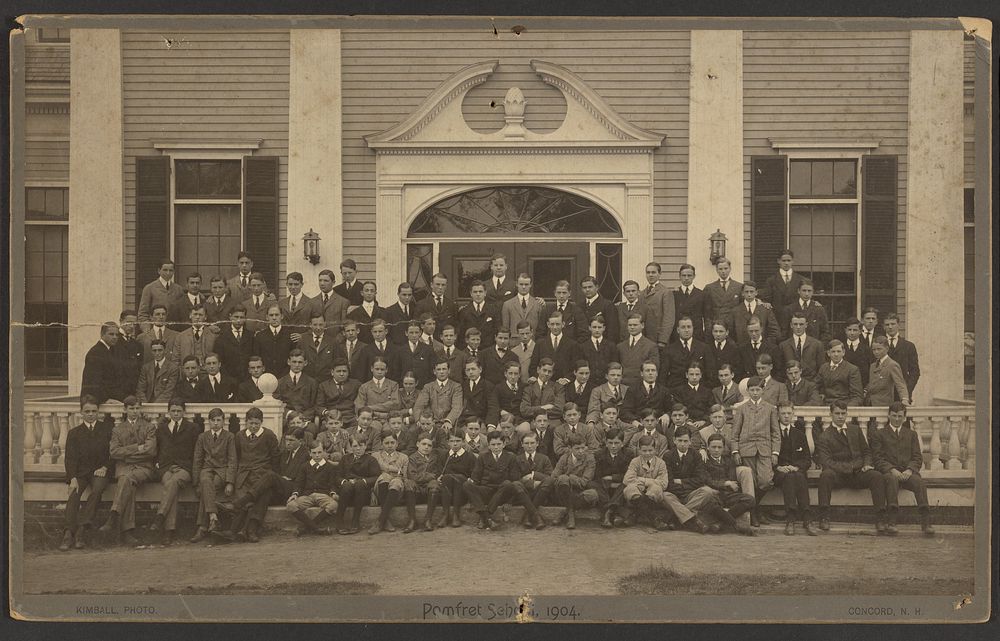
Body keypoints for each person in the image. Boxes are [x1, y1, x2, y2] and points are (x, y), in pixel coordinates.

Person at [815, 401, 888, 533]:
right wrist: (850, 467)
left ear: (847, 414)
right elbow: (827, 462)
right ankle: (824, 517)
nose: (840, 417)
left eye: (843, 413)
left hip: (858, 474)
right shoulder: (824, 436)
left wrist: (866, 464)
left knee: (876, 476)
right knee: (825, 475)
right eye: (837, 413)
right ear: (830, 414)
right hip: (838, 476)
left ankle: (881, 518)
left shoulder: (855, 430)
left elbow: (866, 451)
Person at [98, 397, 157, 546]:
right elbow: (114, 452)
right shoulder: (117, 429)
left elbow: (151, 451)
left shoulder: (149, 427)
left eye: (137, 408)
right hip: (125, 468)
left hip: (143, 468)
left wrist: (127, 454)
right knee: (127, 482)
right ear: (125, 410)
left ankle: (113, 516)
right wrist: (137, 448)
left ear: (140, 409)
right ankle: (127, 532)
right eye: (131, 408)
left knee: (126, 479)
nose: (135, 412)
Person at [58, 396, 114, 552]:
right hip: (81, 473)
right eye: (87, 411)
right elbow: (70, 458)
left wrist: (105, 467)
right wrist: (72, 478)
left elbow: (114, 454)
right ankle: (68, 533)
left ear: (98, 412)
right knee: (74, 494)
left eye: (94, 411)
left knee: (96, 492)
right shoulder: (74, 433)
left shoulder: (107, 429)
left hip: (99, 471)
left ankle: (81, 531)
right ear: (81, 413)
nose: (91, 414)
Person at [622, 434, 709, 533]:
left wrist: (641, 480)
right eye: (644, 451)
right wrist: (650, 482)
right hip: (638, 491)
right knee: (630, 489)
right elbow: (627, 479)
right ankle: (656, 519)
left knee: (657, 490)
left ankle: (635, 515)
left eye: (650, 450)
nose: (647, 453)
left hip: (653, 494)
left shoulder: (660, 463)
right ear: (639, 450)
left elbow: (663, 483)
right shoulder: (635, 461)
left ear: (655, 450)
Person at [870, 402, 935, 536]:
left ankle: (926, 521)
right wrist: (892, 469)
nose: (897, 419)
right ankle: (892, 521)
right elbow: (878, 459)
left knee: (919, 482)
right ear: (889, 415)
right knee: (892, 480)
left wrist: (910, 470)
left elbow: (917, 457)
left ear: (905, 417)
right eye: (894, 416)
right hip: (890, 472)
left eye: (900, 416)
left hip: (907, 472)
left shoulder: (911, 434)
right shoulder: (880, 434)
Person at [463, 430, 543, 530]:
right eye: (493, 444)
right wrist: (472, 482)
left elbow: (514, 479)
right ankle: (486, 518)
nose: (496, 447)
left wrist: (510, 500)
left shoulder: (511, 457)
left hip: (503, 492)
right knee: (467, 484)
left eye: (499, 444)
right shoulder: (483, 457)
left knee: (508, 483)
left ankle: (484, 517)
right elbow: (476, 477)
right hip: (487, 490)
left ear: (504, 444)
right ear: (488, 445)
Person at [225, 407, 281, 543]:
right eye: (251, 423)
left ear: (261, 422)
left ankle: (249, 531)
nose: (254, 426)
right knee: (246, 500)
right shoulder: (239, 436)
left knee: (262, 494)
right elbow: (236, 456)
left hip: (262, 475)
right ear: (246, 422)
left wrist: (271, 475)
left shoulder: (268, 435)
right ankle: (241, 531)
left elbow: (275, 458)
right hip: (244, 476)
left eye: (257, 423)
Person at [150, 399, 201, 546]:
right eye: (173, 411)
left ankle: (161, 518)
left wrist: (183, 466)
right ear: (169, 412)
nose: (176, 413)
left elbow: (196, 453)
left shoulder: (193, 428)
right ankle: (168, 530)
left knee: (171, 483)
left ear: (184, 412)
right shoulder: (162, 429)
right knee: (170, 484)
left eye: (179, 411)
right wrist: (165, 467)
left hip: (185, 468)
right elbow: (158, 452)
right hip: (166, 468)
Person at [731, 376, 780, 527]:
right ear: (748, 391)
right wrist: (736, 452)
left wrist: (775, 453)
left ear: (763, 390)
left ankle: (755, 508)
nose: (755, 393)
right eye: (752, 390)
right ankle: (754, 513)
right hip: (747, 450)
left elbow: (775, 433)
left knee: (765, 481)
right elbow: (735, 434)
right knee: (750, 483)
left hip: (765, 450)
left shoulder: (770, 408)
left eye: (758, 390)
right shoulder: (741, 409)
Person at [190, 407, 237, 542]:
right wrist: (195, 482)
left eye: (219, 420)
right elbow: (197, 460)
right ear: (208, 422)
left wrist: (230, 482)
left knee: (210, 486)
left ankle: (202, 527)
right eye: (213, 420)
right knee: (205, 481)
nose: (216, 423)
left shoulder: (229, 437)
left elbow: (232, 460)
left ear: (223, 421)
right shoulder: (202, 437)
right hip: (207, 469)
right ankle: (213, 517)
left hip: (222, 470)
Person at [662, 427, 725, 529]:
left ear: (690, 441)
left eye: (685, 441)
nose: (683, 444)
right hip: (675, 495)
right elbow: (669, 482)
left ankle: (677, 518)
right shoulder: (668, 456)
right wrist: (686, 485)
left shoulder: (696, 455)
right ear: (674, 440)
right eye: (680, 441)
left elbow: (700, 479)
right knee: (664, 495)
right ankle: (692, 519)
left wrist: (681, 481)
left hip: (692, 495)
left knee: (707, 491)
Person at [771, 402, 818, 536]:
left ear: (793, 414)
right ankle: (795, 518)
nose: (786, 416)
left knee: (797, 475)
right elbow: (766, 457)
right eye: (783, 413)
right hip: (778, 473)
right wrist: (778, 467)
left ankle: (803, 519)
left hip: (796, 472)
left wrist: (796, 467)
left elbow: (807, 460)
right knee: (793, 477)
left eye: (789, 413)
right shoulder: (772, 434)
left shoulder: (800, 434)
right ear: (778, 415)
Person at [702, 434, 756, 535]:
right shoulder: (704, 461)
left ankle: (720, 523)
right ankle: (736, 526)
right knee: (710, 503)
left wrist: (728, 484)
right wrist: (725, 483)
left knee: (750, 500)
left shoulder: (728, 460)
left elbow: (732, 480)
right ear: (708, 448)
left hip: (728, 494)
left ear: (723, 448)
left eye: (719, 447)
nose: (716, 450)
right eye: (713, 447)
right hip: (714, 494)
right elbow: (707, 480)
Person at [285, 443, 340, 536]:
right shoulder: (304, 466)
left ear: (324, 452)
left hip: (323, 495)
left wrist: (333, 493)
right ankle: (317, 529)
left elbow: (332, 484)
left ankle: (305, 529)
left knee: (334, 505)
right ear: (310, 453)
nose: (317, 455)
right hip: (307, 495)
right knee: (290, 505)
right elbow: (299, 483)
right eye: (314, 453)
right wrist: (295, 494)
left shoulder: (329, 467)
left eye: (319, 452)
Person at [334, 436, 380, 534]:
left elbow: (376, 476)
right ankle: (339, 520)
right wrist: (344, 481)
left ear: (365, 446)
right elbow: (337, 476)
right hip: (346, 493)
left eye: (361, 445)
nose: (358, 448)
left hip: (362, 494)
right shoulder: (345, 458)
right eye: (355, 446)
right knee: (346, 486)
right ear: (350, 447)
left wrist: (362, 481)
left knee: (359, 485)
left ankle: (355, 520)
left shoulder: (371, 460)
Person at [550, 435, 597, 529]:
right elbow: (554, 477)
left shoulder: (589, 459)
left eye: (583, 448)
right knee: (563, 479)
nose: (581, 451)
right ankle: (571, 517)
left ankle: (565, 512)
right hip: (563, 491)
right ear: (570, 448)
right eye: (577, 448)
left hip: (579, 492)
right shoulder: (564, 458)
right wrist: (567, 479)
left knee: (593, 494)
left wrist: (570, 477)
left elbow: (585, 481)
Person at [759, 249, 807, 339]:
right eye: (783, 260)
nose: (786, 263)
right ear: (778, 261)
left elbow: (806, 296)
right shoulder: (771, 280)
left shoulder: (800, 280)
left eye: (788, 260)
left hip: (795, 319)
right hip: (778, 319)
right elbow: (766, 300)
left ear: (793, 261)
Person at [368, 431, 409, 534]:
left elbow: (404, 475)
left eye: (392, 442)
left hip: (396, 490)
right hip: (380, 487)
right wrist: (395, 470)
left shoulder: (404, 457)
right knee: (384, 477)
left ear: (397, 443)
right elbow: (378, 469)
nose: (390, 445)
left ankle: (381, 521)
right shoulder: (375, 456)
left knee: (396, 482)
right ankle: (385, 520)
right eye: (386, 443)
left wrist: (395, 474)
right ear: (382, 444)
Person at [512, 431, 554, 529]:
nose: (529, 446)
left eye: (532, 443)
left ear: (537, 443)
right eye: (526, 443)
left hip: (541, 492)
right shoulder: (517, 459)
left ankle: (528, 516)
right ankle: (537, 517)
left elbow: (549, 477)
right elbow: (515, 478)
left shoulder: (544, 458)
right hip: (524, 493)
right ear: (522, 444)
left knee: (549, 481)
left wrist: (533, 475)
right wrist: (532, 483)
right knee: (515, 484)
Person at [436, 429, 477, 528]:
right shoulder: (443, 456)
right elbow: (439, 472)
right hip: (446, 493)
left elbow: (474, 475)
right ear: (448, 442)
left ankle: (456, 515)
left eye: (458, 441)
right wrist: (439, 477)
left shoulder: (470, 457)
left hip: (462, 493)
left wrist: (469, 480)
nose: (455, 444)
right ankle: (445, 515)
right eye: (452, 441)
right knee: (447, 477)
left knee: (458, 477)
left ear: (463, 442)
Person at [590, 428, 630, 527]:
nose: (613, 446)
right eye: (610, 443)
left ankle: (608, 513)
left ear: (622, 443)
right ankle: (613, 510)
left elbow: (628, 474)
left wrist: (612, 478)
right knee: (593, 484)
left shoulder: (629, 454)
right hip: (604, 486)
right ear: (606, 443)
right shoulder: (599, 454)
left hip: (620, 485)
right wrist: (609, 482)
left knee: (627, 484)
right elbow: (597, 475)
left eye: (616, 443)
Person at [531, 310, 584, 383]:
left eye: (557, 324)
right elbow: (533, 367)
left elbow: (576, 367)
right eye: (552, 324)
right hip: (544, 385)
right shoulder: (540, 344)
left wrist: (566, 379)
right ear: (548, 324)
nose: (555, 327)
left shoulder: (573, 344)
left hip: (564, 386)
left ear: (563, 324)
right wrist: (540, 379)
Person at [412, 360, 464, 433]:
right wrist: (419, 420)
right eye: (438, 369)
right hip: (430, 422)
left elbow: (457, 407)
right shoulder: (428, 387)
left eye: (444, 369)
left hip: (447, 423)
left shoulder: (456, 387)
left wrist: (449, 421)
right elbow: (419, 406)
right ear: (434, 371)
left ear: (449, 371)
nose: (441, 372)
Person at [406, 435, 443, 531]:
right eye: (424, 444)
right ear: (417, 444)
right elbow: (413, 476)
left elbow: (438, 473)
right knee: (409, 483)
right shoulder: (413, 458)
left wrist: (432, 477)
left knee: (435, 484)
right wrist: (430, 476)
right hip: (416, 489)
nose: (426, 447)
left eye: (429, 445)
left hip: (429, 489)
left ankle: (428, 519)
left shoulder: (434, 457)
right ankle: (412, 520)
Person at [314, 359, 364, 429]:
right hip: (331, 417)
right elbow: (319, 406)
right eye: (338, 371)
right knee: (325, 428)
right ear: (332, 372)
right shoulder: (323, 386)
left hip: (351, 418)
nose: (341, 374)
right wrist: (327, 412)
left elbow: (361, 402)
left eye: (344, 371)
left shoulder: (356, 384)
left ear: (348, 372)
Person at [662, 316, 709, 390]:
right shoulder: (669, 350)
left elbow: (709, 373)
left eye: (689, 327)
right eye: (683, 327)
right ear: (678, 330)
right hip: (676, 390)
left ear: (693, 328)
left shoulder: (703, 348)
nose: (686, 330)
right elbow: (663, 376)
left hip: (699, 391)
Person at [520, 359, 565, 433]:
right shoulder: (529, 387)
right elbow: (524, 410)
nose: (547, 374)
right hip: (534, 421)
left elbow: (559, 409)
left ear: (552, 373)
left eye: (549, 372)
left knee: (555, 429)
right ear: (538, 370)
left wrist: (535, 409)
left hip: (552, 421)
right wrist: (543, 407)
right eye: (544, 370)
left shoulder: (558, 387)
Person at [81, 322, 121, 404]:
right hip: (96, 401)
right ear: (102, 334)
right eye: (111, 334)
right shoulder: (96, 352)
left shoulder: (111, 350)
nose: (115, 337)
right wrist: (105, 399)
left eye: (117, 335)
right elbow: (93, 380)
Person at [137, 259, 185, 328]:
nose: (168, 273)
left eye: (170, 270)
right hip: (155, 329)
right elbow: (143, 314)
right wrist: (148, 332)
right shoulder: (149, 288)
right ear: (159, 271)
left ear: (174, 272)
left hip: (173, 331)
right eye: (165, 270)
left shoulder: (179, 289)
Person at [882, 313, 921, 399]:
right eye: (887, 324)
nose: (890, 327)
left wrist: (907, 389)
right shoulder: (878, 345)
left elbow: (915, 371)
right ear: (883, 327)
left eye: (893, 324)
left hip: (902, 393)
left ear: (898, 325)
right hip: (883, 393)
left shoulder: (908, 346)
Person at [617, 314, 660, 389]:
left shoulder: (651, 346)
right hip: (622, 386)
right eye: (630, 325)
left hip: (641, 387)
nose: (632, 327)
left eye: (635, 325)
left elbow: (653, 370)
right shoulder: (620, 346)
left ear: (642, 325)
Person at [817, 340, 864, 407]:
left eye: (839, 351)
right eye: (833, 351)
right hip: (825, 406)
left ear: (843, 352)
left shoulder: (852, 369)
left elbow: (857, 396)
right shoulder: (823, 368)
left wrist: (847, 408)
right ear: (828, 353)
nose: (836, 354)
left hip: (843, 406)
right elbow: (817, 387)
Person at [779, 312, 825, 382]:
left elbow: (822, 370)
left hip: (811, 386)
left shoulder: (817, 345)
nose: (798, 327)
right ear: (791, 325)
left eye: (801, 324)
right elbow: (781, 371)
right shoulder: (783, 346)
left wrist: (813, 385)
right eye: (795, 324)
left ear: (806, 325)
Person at [274, 349, 318, 422]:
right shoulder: (279, 382)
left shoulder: (312, 383)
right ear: (288, 362)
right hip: (286, 420)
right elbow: (277, 404)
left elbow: (315, 405)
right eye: (294, 362)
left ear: (305, 363)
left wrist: (303, 416)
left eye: (300, 362)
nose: (297, 365)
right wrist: (290, 413)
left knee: (310, 432)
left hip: (305, 420)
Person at [867, 336, 911, 406]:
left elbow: (900, 383)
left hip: (884, 405)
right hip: (870, 404)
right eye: (874, 350)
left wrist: (904, 399)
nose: (876, 352)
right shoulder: (873, 366)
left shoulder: (892, 364)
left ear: (887, 349)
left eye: (879, 349)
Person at [214, 305, 255, 381]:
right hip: (228, 379)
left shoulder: (251, 336)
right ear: (230, 317)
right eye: (236, 317)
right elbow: (219, 362)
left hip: (248, 379)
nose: (238, 320)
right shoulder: (221, 338)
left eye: (241, 317)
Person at [639, 262, 676, 346]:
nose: (650, 275)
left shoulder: (665, 292)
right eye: (648, 272)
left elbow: (668, 319)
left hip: (657, 338)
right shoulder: (641, 293)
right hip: (643, 338)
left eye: (653, 272)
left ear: (659, 274)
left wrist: (663, 340)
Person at [732, 280, 779, 346]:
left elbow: (774, 331)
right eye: (746, 292)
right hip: (742, 350)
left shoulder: (765, 310)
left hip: (762, 348)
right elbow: (731, 333)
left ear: (756, 293)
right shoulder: (736, 311)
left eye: (751, 292)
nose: (749, 294)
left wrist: (766, 345)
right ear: (742, 293)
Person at [702, 257, 743, 334]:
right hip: (717, 328)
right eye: (720, 269)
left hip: (733, 327)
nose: (723, 271)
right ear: (716, 270)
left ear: (730, 269)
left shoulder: (739, 287)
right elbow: (706, 312)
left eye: (725, 268)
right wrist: (709, 328)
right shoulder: (709, 288)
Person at [253, 304, 295, 378]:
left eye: (277, 315)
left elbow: (292, 357)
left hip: (285, 376)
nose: (274, 318)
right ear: (267, 317)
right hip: (266, 376)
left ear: (281, 316)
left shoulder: (289, 335)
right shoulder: (260, 336)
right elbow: (257, 357)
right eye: (271, 315)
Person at [355, 357, 401, 423]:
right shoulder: (364, 387)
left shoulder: (393, 385)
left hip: (390, 420)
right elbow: (359, 407)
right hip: (371, 420)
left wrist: (370, 408)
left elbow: (395, 404)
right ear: (372, 369)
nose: (379, 372)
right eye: (377, 369)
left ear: (386, 370)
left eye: (382, 369)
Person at [737, 317, 783, 383]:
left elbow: (779, 371)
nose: (754, 334)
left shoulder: (773, 348)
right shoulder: (742, 349)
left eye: (756, 331)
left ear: (761, 329)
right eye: (751, 331)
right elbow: (739, 372)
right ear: (747, 331)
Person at [414, 272, 458, 339]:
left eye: (443, 285)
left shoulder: (451, 305)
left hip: (445, 344)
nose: (440, 287)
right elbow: (417, 326)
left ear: (446, 286)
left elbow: (455, 326)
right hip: (427, 342)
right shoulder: (421, 304)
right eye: (437, 284)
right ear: (431, 285)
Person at [502, 273, 547, 337]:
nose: (523, 287)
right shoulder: (507, 304)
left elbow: (541, 328)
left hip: (533, 342)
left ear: (530, 285)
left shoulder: (538, 304)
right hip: (514, 343)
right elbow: (505, 329)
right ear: (517, 284)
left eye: (526, 284)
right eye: (521, 284)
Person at [136, 339, 179, 403]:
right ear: (151, 351)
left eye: (160, 350)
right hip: (147, 403)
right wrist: (145, 404)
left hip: (164, 403)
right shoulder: (146, 368)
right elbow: (140, 389)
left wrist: (155, 405)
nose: (157, 353)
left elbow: (169, 391)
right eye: (154, 351)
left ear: (165, 351)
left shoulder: (173, 368)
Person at [113, 310, 144, 398]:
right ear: (121, 321)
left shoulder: (137, 344)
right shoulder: (113, 342)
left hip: (132, 391)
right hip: (116, 391)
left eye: (134, 324)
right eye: (129, 322)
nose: (132, 326)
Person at [579, 275, 619, 343]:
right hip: (584, 347)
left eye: (590, 287)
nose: (587, 290)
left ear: (597, 287)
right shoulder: (579, 306)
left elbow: (612, 331)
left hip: (602, 346)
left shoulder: (607, 305)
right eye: (584, 287)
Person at [395, 321, 436, 387]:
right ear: (406, 333)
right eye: (411, 333)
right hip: (405, 388)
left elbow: (432, 371)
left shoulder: (428, 349)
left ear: (420, 333)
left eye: (416, 332)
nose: (414, 335)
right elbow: (397, 372)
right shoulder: (400, 350)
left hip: (424, 387)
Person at [673, 264, 707, 341]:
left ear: (694, 276)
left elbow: (706, 317)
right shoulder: (674, 294)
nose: (686, 278)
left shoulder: (701, 294)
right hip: (678, 334)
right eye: (684, 275)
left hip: (696, 334)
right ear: (679, 276)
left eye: (689, 275)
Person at [580, 316, 617, 386]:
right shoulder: (583, 346)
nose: (597, 330)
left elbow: (614, 365)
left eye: (599, 327)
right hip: (589, 383)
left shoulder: (611, 346)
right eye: (594, 327)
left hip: (607, 383)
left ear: (604, 328)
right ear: (589, 328)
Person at [315, 269, 350, 342]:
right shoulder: (312, 302)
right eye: (320, 280)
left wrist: (337, 341)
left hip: (336, 342)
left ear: (333, 282)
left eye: (326, 281)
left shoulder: (343, 302)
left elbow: (345, 326)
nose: (322, 283)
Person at [705, 321, 743, 387]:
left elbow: (738, 369)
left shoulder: (733, 348)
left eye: (721, 331)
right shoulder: (707, 347)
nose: (718, 334)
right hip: (711, 385)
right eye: (715, 331)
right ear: (712, 332)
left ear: (727, 332)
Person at [347, 281, 386, 345]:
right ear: (362, 293)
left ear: (375, 293)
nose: (369, 293)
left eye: (372, 291)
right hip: (361, 348)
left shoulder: (383, 312)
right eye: (366, 290)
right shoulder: (353, 314)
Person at [301, 313, 337, 383]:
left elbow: (336, 362)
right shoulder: (303, 340)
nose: (318, 328)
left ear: (325, 324)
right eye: (315, 325)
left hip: (326, 381)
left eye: (321, 324)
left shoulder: (332, 341)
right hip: (307, 381)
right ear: (310, 325)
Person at [278, 272, 315, 339]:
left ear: (302, 284)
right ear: (286, 284)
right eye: (290, 284)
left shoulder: (311, 303)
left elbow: (316, 325)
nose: (293, 287)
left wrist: (303, 336)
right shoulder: (281, 303)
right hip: (284, 341)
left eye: (296, 284)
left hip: (303, 342)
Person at [842, 317, 874, 388]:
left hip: (861, 387)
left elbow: (870, 370)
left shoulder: (867, 350)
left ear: (860, 331)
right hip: (843, 388)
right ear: (845, 331)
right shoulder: (840, 348)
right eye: (849, 330)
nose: (852, 333)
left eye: (855, 330)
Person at [493, 362, 524, 429]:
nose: (513, 377)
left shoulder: (523, 387)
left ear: (519, 375)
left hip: (519, 420)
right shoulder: (498, 388)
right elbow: (495, 405)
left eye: (516, 374)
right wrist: (501, 411)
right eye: (510, 373)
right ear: (505, 374)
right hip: (504, 419)